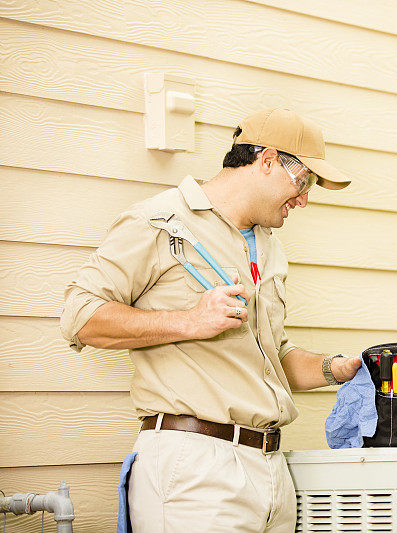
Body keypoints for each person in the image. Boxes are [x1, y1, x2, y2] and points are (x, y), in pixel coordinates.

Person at [60, 107, 362, 532]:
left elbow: (270, 357)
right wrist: (189, 321)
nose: (304, 199)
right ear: (268, 160)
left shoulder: (268, 247)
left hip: (272, 470)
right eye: (304, 181)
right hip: (194, 469)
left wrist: (336, 369)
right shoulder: (160, 221)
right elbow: (80, 315)